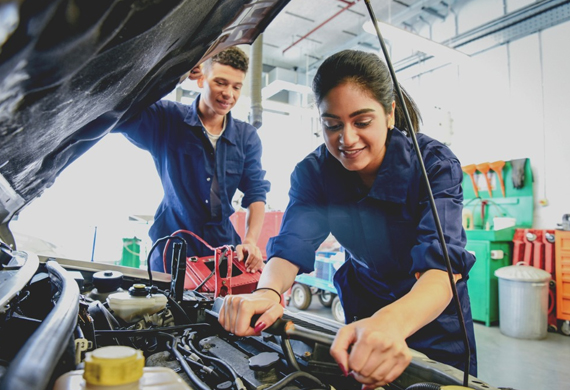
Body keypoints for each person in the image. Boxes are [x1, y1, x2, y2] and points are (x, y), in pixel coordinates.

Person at [218, 49, 477, 388]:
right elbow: (291, 246)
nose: (347, 139)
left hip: (433, 321)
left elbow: (442, 267)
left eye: (362, 122)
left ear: (389, 114)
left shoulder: (434, 166)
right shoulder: (314, 173)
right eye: (332, 125)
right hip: (364, 312)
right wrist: (266, 292)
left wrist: (391, 323)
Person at [114, 47, 270, 274]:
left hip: (222, 251)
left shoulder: (247, 138)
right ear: (200, 80)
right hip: (172, 251)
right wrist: (174, 75)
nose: (229, 94)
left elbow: (256, 192)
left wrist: (250, 241)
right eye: (220, 82)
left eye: (236, 87)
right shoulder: (167, 119)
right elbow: (122, 111)